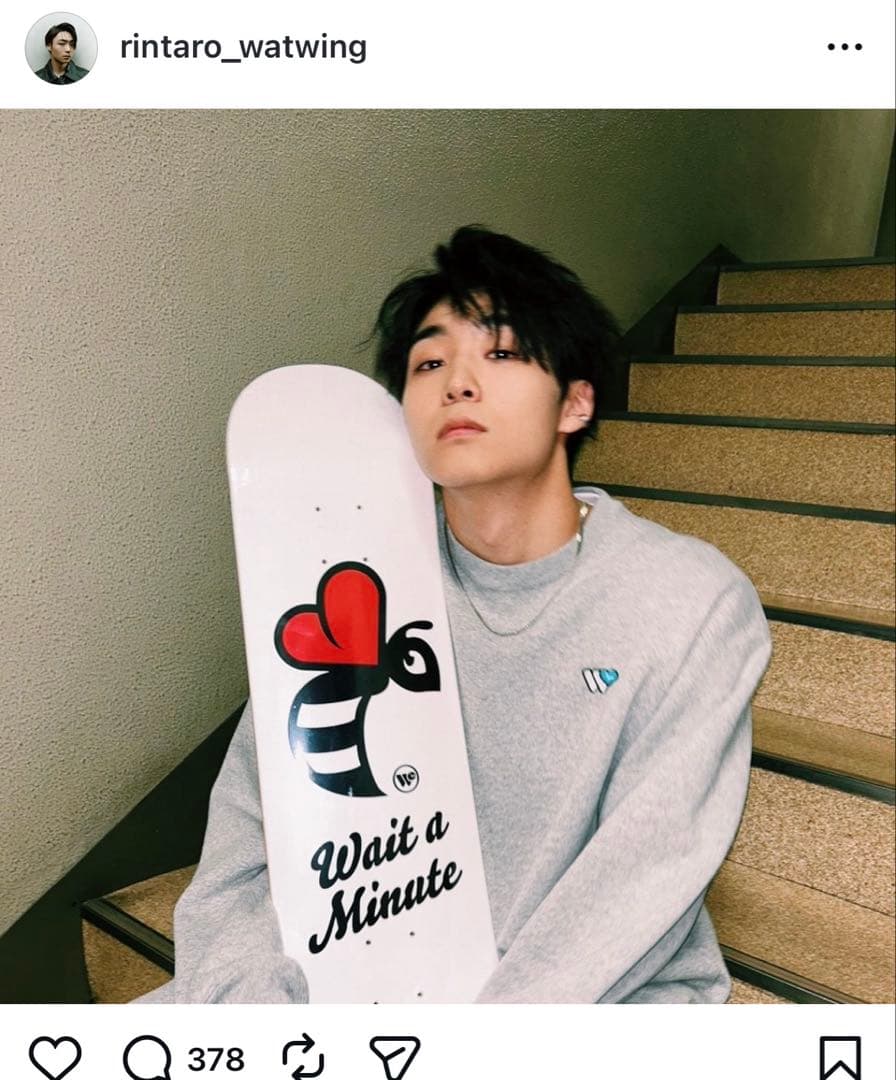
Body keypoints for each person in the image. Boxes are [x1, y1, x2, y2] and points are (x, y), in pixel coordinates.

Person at [139, 226, 771, 1003]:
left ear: (576, 401)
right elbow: (250, 836)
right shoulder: (357, 585)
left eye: (501, 353)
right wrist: (256, 1008)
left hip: (582, 1003)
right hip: (353, 983)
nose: (458, 384)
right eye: (429, 363)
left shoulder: (690, 603)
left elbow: (644, 879)